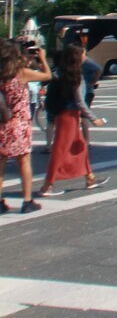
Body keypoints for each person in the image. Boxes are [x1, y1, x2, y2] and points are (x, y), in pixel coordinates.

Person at [38, 44, 109, 197]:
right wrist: (94, 119)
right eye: (83, 54)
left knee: (81, 146)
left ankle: (90, 178)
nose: (85, 57)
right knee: (60, 150)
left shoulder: (62, 72)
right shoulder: (77, 76)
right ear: (78, 57)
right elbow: (80, 102)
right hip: (69, 116)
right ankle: (47, 185)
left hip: (64, 114)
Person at [1, 41, 52, 213]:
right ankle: (27, 200)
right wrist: (42, 58)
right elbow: (47, 76)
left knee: (1, 163)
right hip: (19, 124)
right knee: (24, 161)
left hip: (2, 123)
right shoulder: (21, 73)